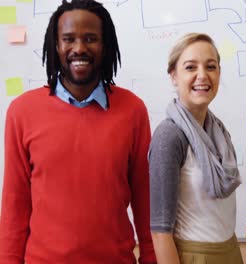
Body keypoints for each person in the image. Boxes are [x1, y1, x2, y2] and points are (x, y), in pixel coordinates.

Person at [0, 0, 157, 263]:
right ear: (56, 46)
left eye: (90, 38)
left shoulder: (133, 110)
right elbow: (14, 207)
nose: (79, 48)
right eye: (69, 39)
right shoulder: (22, 112)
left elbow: (146, 203)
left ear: (105, 46)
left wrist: (152, 258)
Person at [149, 33, 243, 264]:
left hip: (230, 251)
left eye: (211, 67)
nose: (203, 76)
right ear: (174, 75)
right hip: (194, 256)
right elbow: (160, 232)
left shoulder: (219, 132)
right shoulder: (169, 136)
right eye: (190, 67)